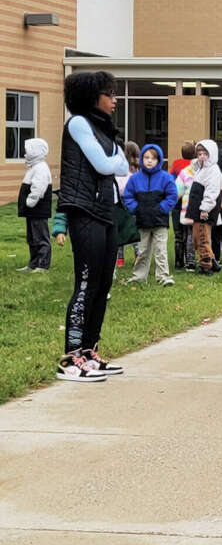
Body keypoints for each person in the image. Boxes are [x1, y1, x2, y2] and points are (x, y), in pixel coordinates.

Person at [57, 70, 127, 381]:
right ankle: (70, 357)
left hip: (105, 211)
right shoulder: (78, 123)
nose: (114, 100)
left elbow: (121, 166)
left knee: (103, 285)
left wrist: (114, 162)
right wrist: (114, 162)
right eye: (108, 94)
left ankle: (89, 351)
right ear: (91, 96)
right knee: (86, 285)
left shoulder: (104, 129)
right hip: (84, 211)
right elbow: (105, 164)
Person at [178, 139, 222, 275]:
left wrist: (205, 208)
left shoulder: (213, 171)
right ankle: (212, 260)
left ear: (212, 154)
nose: (202, 157)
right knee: (197, 236)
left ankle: (206, 266)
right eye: (199, 154)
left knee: (202, 237)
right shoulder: (202, 169)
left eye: (205, 154)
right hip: (197, 209)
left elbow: (212, 191)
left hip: (204, 210)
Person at [122, 144, 177, 286]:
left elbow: (172, 196)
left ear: (159, 160)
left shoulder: (166, 177)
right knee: (142, 250)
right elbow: (128, 196)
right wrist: (136, 208)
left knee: (161, 250)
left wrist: (162, 208)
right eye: (146, 157)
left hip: (160, 221)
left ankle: (163, 276)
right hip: (142, 221)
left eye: (153, 158)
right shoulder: (135, 179)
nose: (149, 161)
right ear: (141, 159)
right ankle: (139, 277)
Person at [17, 137, 52, 273]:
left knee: (40, 237)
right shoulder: (34, 167)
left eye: (28, 151)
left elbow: (39, 188)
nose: (25, 153)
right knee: (32, 237)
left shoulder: (41, 168)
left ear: (35, 151)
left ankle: (43, 265)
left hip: (38, 209)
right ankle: (33, 263)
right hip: (32, 210)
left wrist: (30, 201)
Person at [171, 142, 197, 270]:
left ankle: (178, 262)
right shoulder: (195, 166)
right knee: (190, 233)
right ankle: (190, 261)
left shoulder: (176, 164)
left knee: (178, 234)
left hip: (177, 202)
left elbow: (171, 180)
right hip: (190, 203)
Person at [116, 140, 140, 268]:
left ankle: (120, 258)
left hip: (120, 200)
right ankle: (138, 255)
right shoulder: (138, 169)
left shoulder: (122, 167)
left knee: (120, 228)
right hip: (133, 200)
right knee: (133, 229)